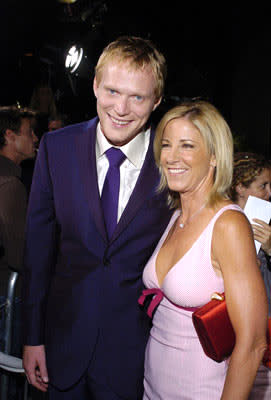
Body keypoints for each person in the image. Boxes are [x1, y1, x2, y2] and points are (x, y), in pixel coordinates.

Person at [22, 36, 172, 399]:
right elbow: (38, 252)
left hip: (135, 356)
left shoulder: (172, 163)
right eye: (112, 91)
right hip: (61, 347)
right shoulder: (56, 149)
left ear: (157, 100)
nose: (121, 108)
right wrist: (31, 338)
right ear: (94, 86)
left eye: (137, 97)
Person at [140, 100, 268, 399]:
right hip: (153, 386)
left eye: (187, 146)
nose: (171, 156)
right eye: (167, 145)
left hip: (200, 391)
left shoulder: (229, 225)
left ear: (213, 156)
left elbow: (253, 344)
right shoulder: (175, 217)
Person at [229, 151, 271, 400]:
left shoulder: (268, 224)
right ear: (239, 187)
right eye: (263, 185)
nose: (269, 193)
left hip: (263, 341)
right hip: (226, 336)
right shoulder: (220, 220)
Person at [0, 106, 38, 296]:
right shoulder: (10, 185)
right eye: (29, 132)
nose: (35, 138)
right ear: (9, 136)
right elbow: (20, 256)